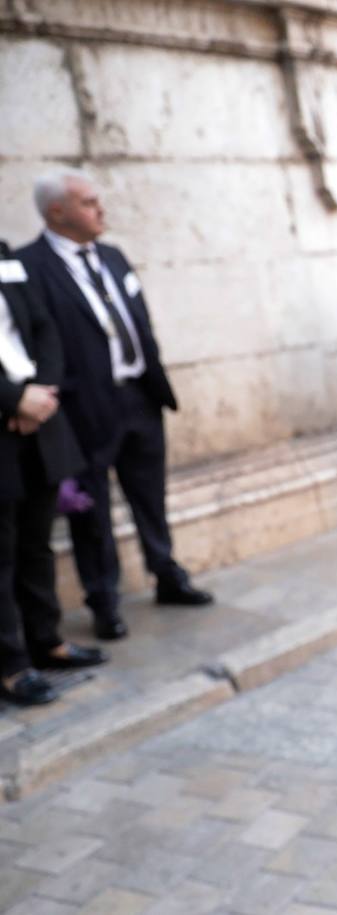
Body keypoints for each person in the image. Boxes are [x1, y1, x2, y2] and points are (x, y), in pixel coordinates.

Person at [18, 169, 212, 642]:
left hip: (139, 396)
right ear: (57, 211)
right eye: (88, 202)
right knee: (92, 511)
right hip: (84, 407)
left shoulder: (112, 255)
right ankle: (104, 599)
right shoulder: (31, 266)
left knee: (150, 494)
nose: (100, 209)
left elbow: (136, 319)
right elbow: (39, 340)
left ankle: (166, 572)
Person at [0, 240, 106, 706]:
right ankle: (10, 664)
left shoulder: (4, 253)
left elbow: (44, 328)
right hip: (4, 419)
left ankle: (47, 641)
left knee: (36, 543)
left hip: (40, 417)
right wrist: (11, 399)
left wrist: (40, 393)